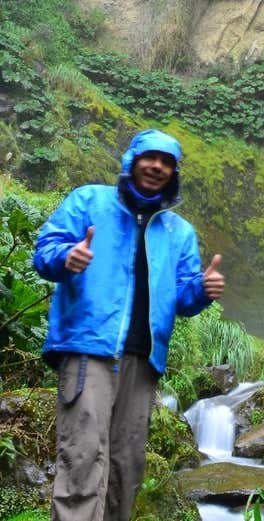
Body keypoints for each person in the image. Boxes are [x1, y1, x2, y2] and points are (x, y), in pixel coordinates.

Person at [33, 129, 226, 521]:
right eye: (150, 157)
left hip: (144, 360)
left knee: (126, 465)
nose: (157, 167)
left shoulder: (178, 232)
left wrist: (203, 289)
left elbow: (184, 300)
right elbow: (45, 251)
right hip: (91, 348)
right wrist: (66, 256)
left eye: (167, 162)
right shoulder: (89, 201)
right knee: (83, 455)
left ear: (173, 173)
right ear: (132, 160)